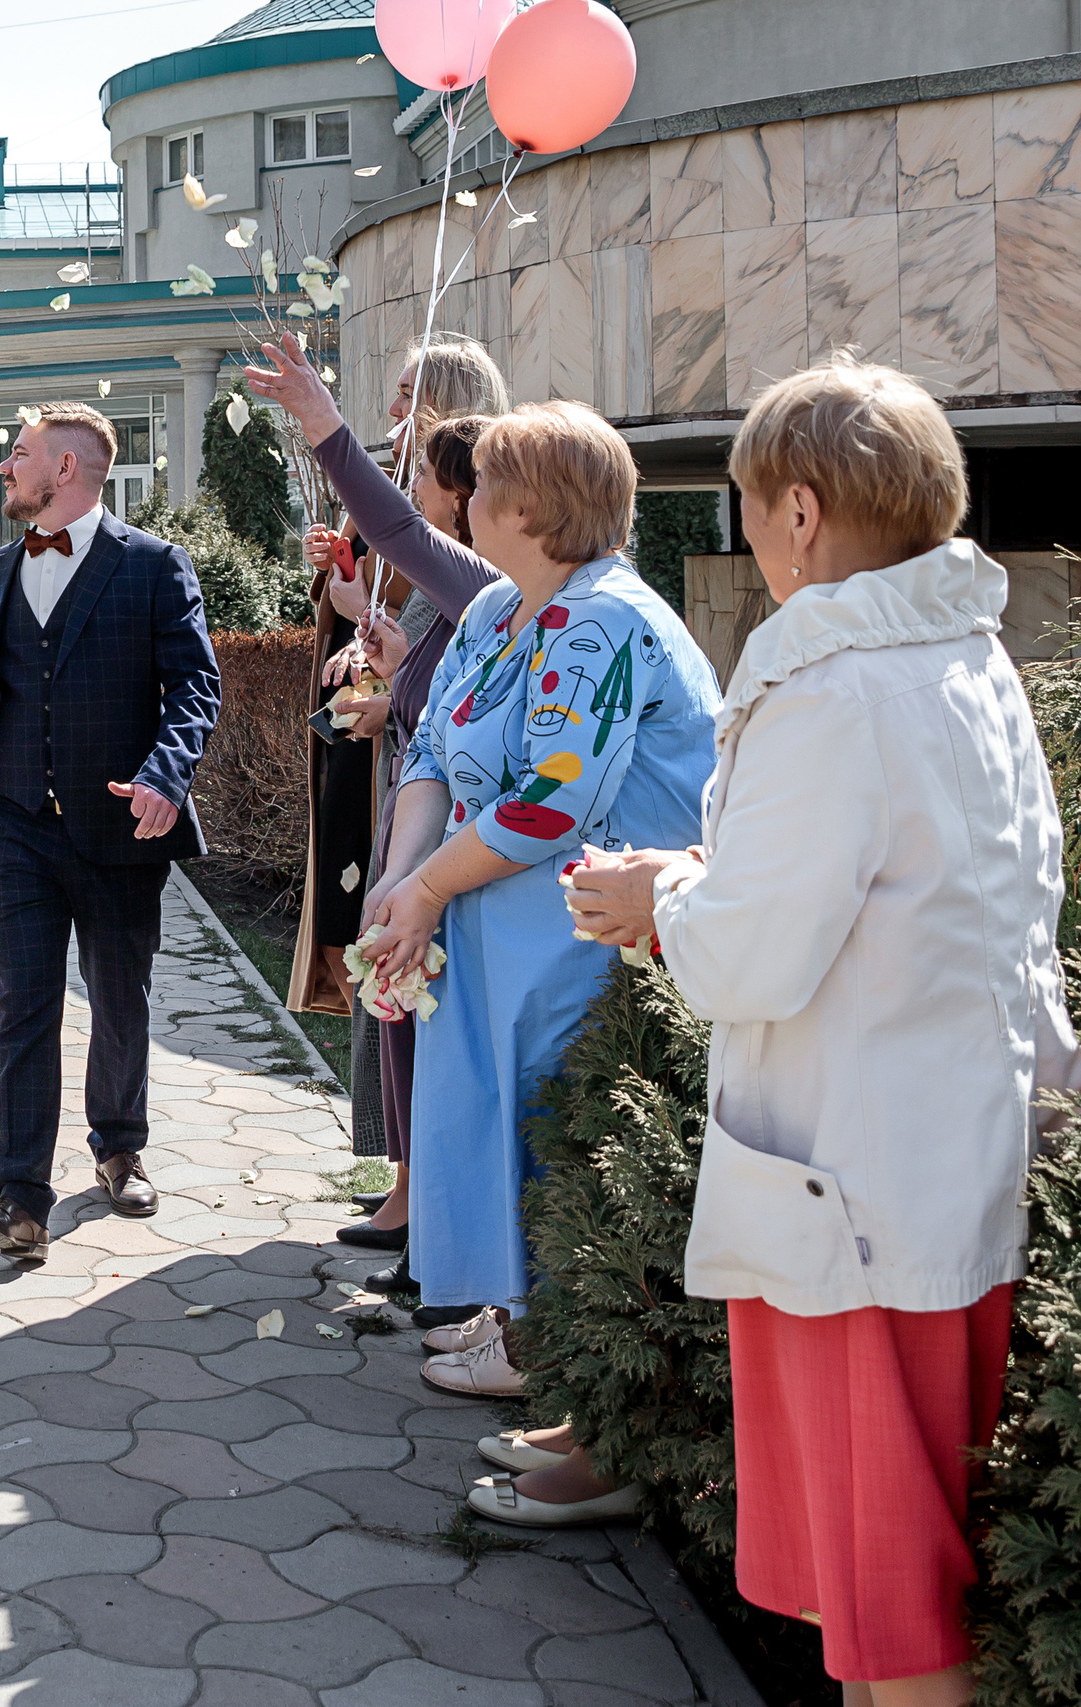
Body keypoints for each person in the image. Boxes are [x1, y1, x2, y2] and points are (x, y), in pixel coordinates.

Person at [566, 355, 1081, 1700]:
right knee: (894, 1596)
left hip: (848, 1195)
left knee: (895, 1609)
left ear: (800, 513)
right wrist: (692, 886)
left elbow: (755, 951)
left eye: (746, 504)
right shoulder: (964, 658)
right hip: (940, 1163)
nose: (746, 534)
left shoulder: (831, 683)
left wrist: (654, 898)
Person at [254, 336, 719, 1374]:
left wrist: (420, 887)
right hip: (488, 931)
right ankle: (508, 1322)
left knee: (548, 1135)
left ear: (532, 508)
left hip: (576, 947)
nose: (461, 501)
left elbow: (551, 804)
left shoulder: (602, 622)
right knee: (483, 1126)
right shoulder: (504, 612)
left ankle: (544, 1347)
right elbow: (430, 749)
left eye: (486, 484)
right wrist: (395, 886)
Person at [0, 401, 220, 1262]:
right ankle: (19, 1200)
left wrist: (165, 777)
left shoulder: (154, 567)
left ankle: (119, 1145)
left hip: (118, 825)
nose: (3, 468)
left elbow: (195, 689)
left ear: (64, 469)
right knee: (23, 1003)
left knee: (118, 995)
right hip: (15, 822)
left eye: (17, 454)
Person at [286, 334, 510, 1257]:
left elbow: (467, 710)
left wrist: (322, 425)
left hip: (463, 838)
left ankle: (440, 1222)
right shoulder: (481, 576)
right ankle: (419, 1201)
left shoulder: (489, 576)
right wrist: (361, 622)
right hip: (415, 814)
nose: (395, 412)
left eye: (410, 392)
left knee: (429, 1009)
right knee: (401, 996)